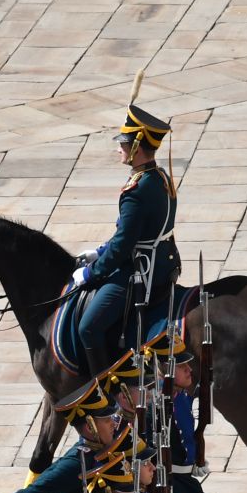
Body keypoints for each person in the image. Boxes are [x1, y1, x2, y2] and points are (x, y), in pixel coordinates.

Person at [72, 90, 179, 373]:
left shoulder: (136, 191)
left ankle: (107, 393)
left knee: (88, 327)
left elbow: (123, 248)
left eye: (124, 143)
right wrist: (99, 251)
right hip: (164, 263)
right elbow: (126, 234)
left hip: (141, 272)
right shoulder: (159, 177)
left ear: (136, 148)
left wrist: (91, 272)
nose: (119, 148)